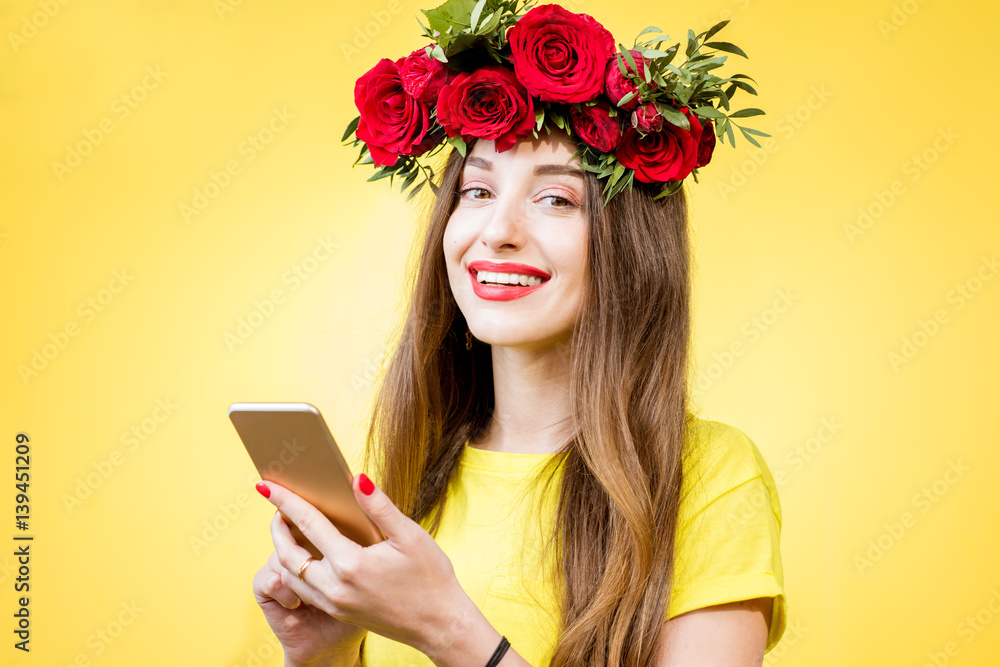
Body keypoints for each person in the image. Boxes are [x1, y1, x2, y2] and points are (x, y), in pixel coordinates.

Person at [251, 3, 786, 666]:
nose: (496, 230)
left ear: (631, 248)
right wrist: (324, 655)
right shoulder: (418, 470)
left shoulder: (710, 477)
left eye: (556, 198)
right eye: (477, 192)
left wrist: (450, 629)